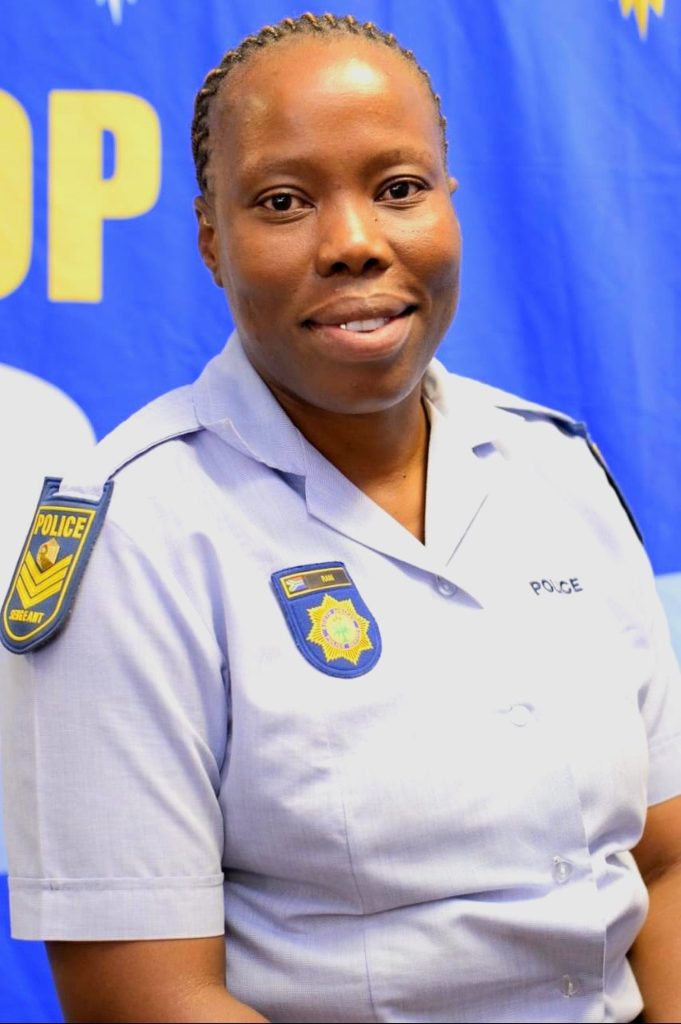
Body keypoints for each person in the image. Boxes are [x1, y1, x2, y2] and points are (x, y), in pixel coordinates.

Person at [1, 12, 680, 1024]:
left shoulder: (556, 468)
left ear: (450, 202)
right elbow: (141, 996)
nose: (355, 243)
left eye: (399, 188)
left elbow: (662, 863)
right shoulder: (133, 535)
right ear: (211, 240)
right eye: (283, 202)